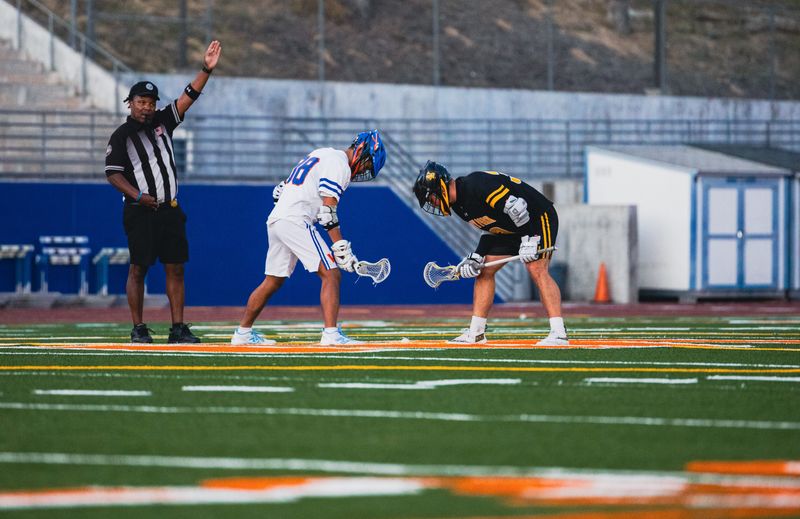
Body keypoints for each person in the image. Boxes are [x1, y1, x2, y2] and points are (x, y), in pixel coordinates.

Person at [105, 41, 222, 344]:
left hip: (170, 208)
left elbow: (188, 97)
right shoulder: (122, 135)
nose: (146, 106)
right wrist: (137, 195)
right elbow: (113, 174)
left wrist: (205, 70)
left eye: (150, 102)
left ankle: (178, 327)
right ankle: (138, 327)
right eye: (140, 101)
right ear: (129, 103)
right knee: (138, 269)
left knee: (176, 268)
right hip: (141, 210)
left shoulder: (162, 122)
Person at [231, 130, 387, 346]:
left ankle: (242, 334)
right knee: (332, 274)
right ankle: (331, 335)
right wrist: (341, 248)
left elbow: (278, 191)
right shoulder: (339, 164)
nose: (365, 170)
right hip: (296, 220)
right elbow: (327, 213)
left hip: (277, 219)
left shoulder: (321, 154)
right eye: (368, 164)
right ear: (361, 151)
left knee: (272, 280)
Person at [412, 161, 569, 346]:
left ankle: (558, 332)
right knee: (484, 272)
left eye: (431, 198)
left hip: (537, 217)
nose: (434, 204)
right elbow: (491, 229)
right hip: (511, 228)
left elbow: (517, 208)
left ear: (440, 187)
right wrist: (477, 256)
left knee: (536, 268)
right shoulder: (458, 206)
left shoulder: (477, 184)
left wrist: (529, 239)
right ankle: (476, 332)